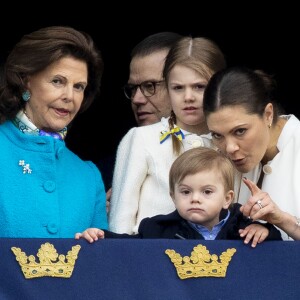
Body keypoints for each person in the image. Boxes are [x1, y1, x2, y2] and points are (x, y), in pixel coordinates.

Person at [108, 36, 227, 234]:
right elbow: (120, 224)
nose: (188, 97)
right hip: (149, 259)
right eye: (178, 88)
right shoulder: (142, 138)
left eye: (199, 86)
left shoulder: (229, 143)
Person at [0, 26, 108, 238]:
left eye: (79, 87)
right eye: (58, 81)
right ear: (26, 82)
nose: (69, 96)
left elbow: (100, 263)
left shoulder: (88, 176)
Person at [76, 147, 282, 247]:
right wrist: (102, 236)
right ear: (173, 197)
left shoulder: (244, 226)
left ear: (227, 199)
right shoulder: (158, 229)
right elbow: (131, 246)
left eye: (207, 192)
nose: (195, 198)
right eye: (185, 192)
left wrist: (264, 230)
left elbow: (276, 247)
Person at [202, 65, 300, 241]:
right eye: (217, 135)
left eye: (240, 131)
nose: (229, 147)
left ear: (268, 114)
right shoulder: (213, 157)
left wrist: (284, 221)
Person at [97, 32, 182, 195]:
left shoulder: (227, 153)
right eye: (133, 88)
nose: (137, 99)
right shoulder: (106, 174)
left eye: (150, 86)